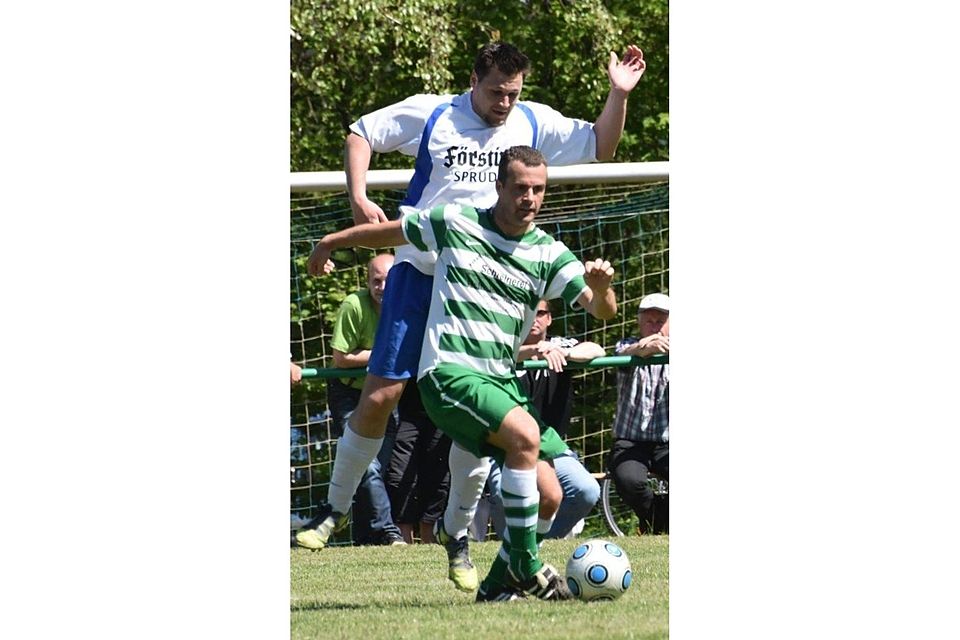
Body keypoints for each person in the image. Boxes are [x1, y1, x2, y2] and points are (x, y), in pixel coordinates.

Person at [299, 40, 645, 580]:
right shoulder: (435, 113)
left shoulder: (532, 122)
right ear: (472, 80)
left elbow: (602, 144)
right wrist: (358, 196)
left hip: (483, 284)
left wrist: (617, 94)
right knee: (382, 394)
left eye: (513, 93)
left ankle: (457, 538)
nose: (505, 103)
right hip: (421, 272)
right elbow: (360, 133)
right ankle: (332, 510)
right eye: (495, 92)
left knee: (477, 428)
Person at [309, 146, 618, 601]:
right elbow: (388, 234)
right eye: (520, 188)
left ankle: (496, 587)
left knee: (551, 495)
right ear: (499, 186)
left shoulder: (550, 252)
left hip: (501, 383)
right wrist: (332, 241)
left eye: (538, 190)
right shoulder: (458, 221)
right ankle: (528, 567)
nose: (529, 198)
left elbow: (603, 311)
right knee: (525, 437)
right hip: (448, 373)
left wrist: (601, 287)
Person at [474, 299, 604, 540]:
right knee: (509, 496)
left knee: (586, 490)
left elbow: (597, 349)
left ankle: (538, 543)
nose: (534, 318)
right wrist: (532, 351)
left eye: (541, 312)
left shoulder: (558, 345)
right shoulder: (501, 344)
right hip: (502, 446)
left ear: (550, 318)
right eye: (527, 312)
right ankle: (511, 554)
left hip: (549, 446)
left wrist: (565, 353)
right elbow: (483, 358)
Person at [300, 253, 406, 546]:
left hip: (385, 390)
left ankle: (363, 536)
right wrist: (385, 353)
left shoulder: (407, 305)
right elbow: (341, 358)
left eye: (389, 280)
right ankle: (388, 532)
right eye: (376, 280)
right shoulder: (353, 305)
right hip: (349, 391)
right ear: (367, 281)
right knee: (367, 463)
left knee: (374, 471)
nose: (382, 287)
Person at [608, 292, 669, 535]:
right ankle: (660, 520)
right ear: (639, 323)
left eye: (661, 321)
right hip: (629, 442)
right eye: (649, 321)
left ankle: (659, 522)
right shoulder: (626, 346)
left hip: (668, 442)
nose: (655, 327)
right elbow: (622, 354)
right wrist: (644, 348)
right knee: (628, 480)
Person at [384, 379, 451, 544]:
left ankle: (429, 544)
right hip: (403, 409)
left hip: (440, 407)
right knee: (399, 475)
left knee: (438, 477)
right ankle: (403, 544)